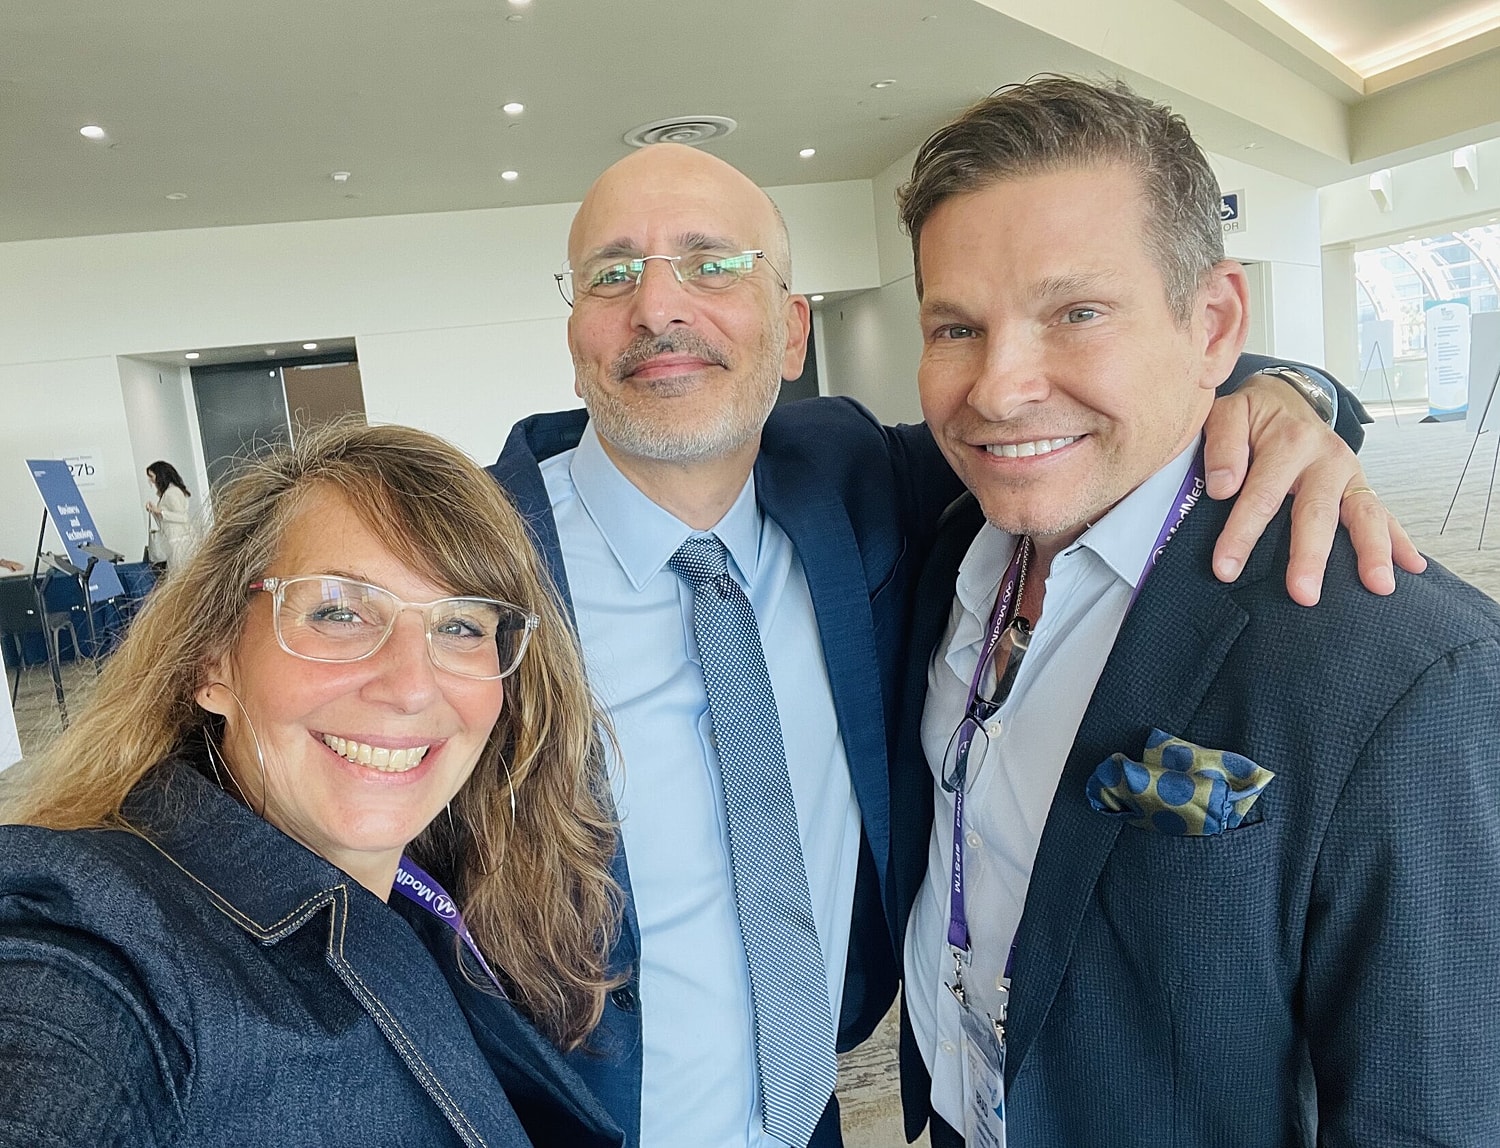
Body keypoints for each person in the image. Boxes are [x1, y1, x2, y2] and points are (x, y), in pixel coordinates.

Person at [489, 142, 1421, 1148]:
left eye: (713, 262)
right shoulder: (459, 571)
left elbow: (1067, 411)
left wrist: (1285, 399)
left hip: (814, 1120)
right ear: (577, 327)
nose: (659, 305)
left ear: (792, 329)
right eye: (613, 271)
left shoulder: (848, 484)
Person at [889, 76, 1500, 1146]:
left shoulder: (1404, 661)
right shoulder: (946, 545)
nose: (998, 386)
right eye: (956, 326)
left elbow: (1434, 1111)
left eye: (1076, 312)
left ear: (1213, 322)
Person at [0, 422, 624, 1147]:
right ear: (213, 661)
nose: (412, 687)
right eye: (338, 611)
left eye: (460, 626)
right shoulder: (99, 942)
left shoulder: (455, 885)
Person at [145, 459, 195, 567]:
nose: (150, 480)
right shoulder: (169, 493)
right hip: (175, 541)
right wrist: (155, 511)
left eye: (152, 476)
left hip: (179, 542)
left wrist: (160, 512)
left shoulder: (171, 493)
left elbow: (183, 517)